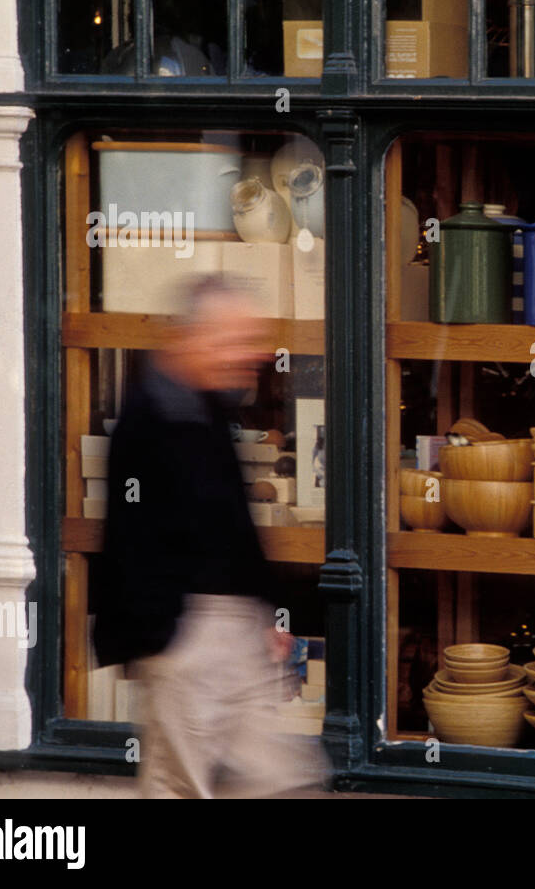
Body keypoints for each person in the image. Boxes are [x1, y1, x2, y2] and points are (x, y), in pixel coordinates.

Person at [93, 275, 326, 798]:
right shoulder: (149, 417)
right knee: (182, 786)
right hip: (184, 635)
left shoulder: (212, 410)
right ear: (195, 338)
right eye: (235, 341)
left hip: (234, 630)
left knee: (278, 778)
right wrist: (162, 641)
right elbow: (132, 541)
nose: (252, 355)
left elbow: (232, 524)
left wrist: (265, 611)